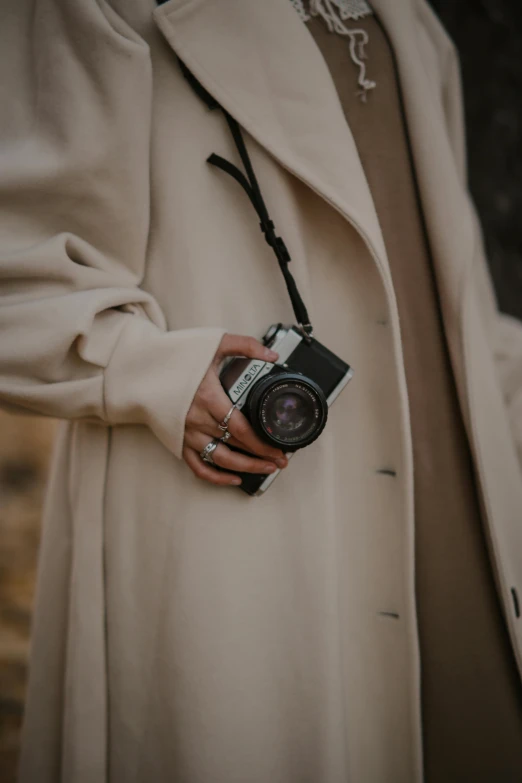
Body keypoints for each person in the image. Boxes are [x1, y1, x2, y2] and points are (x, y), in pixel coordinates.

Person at [1, 0, 522, 780]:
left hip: (462, 519)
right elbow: (20, 273)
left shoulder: (411, 15)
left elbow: (457, 298)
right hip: (241, 527)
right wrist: (150, 372)